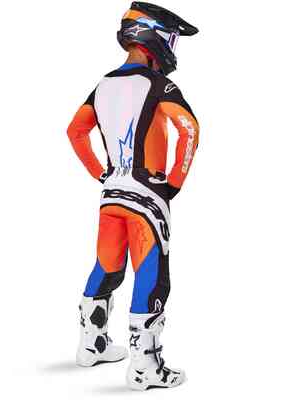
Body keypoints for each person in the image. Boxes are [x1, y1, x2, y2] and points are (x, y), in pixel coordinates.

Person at [67, 1, 199, 390]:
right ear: (153, 37)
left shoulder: (102, 85)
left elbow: (75, 131)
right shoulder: (158, 85)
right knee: (151, 275)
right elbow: (190, 129)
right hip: (147, 198)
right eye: (171, 38)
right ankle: (145, 367)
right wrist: (173, 182)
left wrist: (100, 173)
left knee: (106, 267)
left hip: (111, 196)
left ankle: (91, 344)